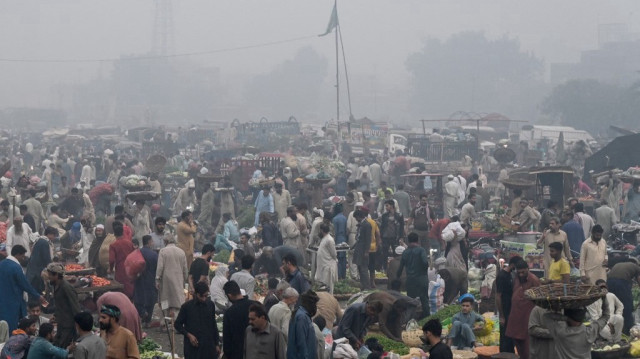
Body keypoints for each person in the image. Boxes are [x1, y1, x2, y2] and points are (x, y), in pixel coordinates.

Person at [544, 300, 609, 359]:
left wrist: (566, 318)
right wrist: (604, 297)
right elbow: (606, 316)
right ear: (583, 317)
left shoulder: (560, 332)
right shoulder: (589, 332)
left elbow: (546, 316)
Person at [0, 245, 44, 332]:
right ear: (17, 255)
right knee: (13, 325)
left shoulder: (1, 264)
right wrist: (38, 296)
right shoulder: (16, 267)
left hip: (2, 300)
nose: (23, 258)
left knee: (3, 325)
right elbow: (25, 285)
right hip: (13, 301)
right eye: (23, 256)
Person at [174, 282, 220, 359]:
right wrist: (189, 335)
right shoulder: (186, 307)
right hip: (193, 346)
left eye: (206, 296)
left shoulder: (210, 305)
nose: (203, 299)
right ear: (196, 294)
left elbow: (213, 325)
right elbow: (177, 324)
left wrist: (216, 344)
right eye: (201, 296)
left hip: (208, 346)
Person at [505, 259, 540, 359]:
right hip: (515, 316)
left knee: (527, 345)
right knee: (517, 342)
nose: (520, 274)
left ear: (528, 269)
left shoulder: (534, 280)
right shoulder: (516, 278)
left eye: (523, 272)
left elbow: (539, 300)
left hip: (527, 317)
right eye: (518, 272)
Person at [46, 262, 82, 347]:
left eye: (50, 275)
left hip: (68, 324)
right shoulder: (55, 285)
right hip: (61, 322)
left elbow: (75, 307)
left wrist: (79, 325)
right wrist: (55, 315)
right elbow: (60, 304)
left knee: (63, 346)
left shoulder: (66, 287)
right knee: (57, 344)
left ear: (57, 275)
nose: (48, 277)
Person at [396, 232, 430, 319]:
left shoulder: (405, 252)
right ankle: (426, 318)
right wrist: (424, 269)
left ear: (408, 241)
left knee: (410, 300)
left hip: (410, 280)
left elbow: (400, 268)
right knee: (424, 299)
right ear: (417, 240)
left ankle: (411, 319)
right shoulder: (421, 250)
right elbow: (425, 263)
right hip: (421, 279)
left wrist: (397, 278)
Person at [222, 281, 259, 359]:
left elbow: (227, 340)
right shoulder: (256, 306)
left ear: (229, 295)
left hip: (238, 353)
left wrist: (227, 354)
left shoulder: (229, 313)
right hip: (257, 351)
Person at [156, 234, 188, 322]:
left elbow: (160, 267)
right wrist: (184, 280)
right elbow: (185, 269)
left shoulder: (163, 251)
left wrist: (157, 279)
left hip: (165, 281)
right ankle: (177, 324)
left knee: (165, 303)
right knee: (177, 303)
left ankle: (163, 323)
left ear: (165, 241)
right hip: (178, 280)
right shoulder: (181, 252)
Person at [606, 259, 640, 334]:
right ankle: (629, 329)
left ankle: (613, 328)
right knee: (627, 305)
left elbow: (609, 274)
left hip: (609, 283)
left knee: (614, 305)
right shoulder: (636, 267)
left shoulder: (618, 264)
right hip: (621, 283)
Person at [133, 235, 158, 327]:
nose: (153, 243)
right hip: (151, 279)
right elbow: (157, 268)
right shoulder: (154, 254)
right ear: (149, 242)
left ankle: (142, 312)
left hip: (139, 278)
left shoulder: (137, 252)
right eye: (152, 241)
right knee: (151, 300)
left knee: (138, 297)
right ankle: (147, 321)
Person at [287, 290, 320, 359]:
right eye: (315, 304)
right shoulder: (302, 317)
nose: (316, 307)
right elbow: (301, 344)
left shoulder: (302, 314)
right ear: (309, 304)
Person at [26, 227, 56, 298]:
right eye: (54, 235)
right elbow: (47, 259)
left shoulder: (40, 240)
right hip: (37, 273)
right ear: (49, 234)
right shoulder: (44, 243)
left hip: (33, 271)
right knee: (37, 293)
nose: (54, 238)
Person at [109, 221, 135, 298]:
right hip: (129, 268)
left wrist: (110, 269)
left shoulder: (113, 245)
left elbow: (111, 260)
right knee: (130, 287)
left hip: (120, 269)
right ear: (123, 232)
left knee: (120, 289)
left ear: (114, 233)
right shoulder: (129, 243)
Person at [379, 200, 404, 273]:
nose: (386, 207)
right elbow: (382, 227)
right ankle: (385, 269)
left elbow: (402, 227)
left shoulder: (399, 215)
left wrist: (401, 237)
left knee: (396, 254)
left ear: (392, 206)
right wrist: (380, 237)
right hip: (385, 237)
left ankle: (397, 269)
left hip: (395, 237)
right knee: (384, 254)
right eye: (385, 206)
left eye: (387, 205)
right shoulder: (384, 216)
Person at [315, 223, 338, 294]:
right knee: (323, 285)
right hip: (323, 264)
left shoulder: (329, 240)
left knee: (329, 286)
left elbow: (334, 254)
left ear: (322, 230)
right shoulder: (324, 239)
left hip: (328, 265)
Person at [353, 209, 373, 290]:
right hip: (359, 248)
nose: (355, 219)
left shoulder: (367, 225)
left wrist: (366, 251)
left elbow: (368, 239)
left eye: (356, 218)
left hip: (363, 250)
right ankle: (363, 285)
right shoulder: (361, 224)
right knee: (360, 268)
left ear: (359, 216)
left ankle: (367, 286)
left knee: (364, 269)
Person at [332, 203, 348, 279]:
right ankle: (344, 275)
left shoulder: (335, 219)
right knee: (343, 258)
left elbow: (334, 231)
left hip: (338, 239)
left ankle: (339, 275)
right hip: (344, 239)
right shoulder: (344, 218)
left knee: (338, 258)